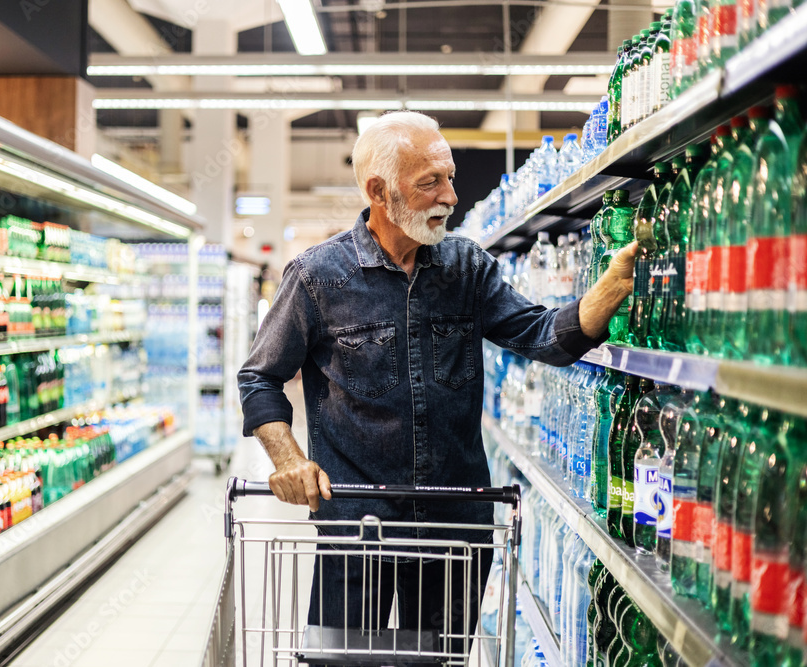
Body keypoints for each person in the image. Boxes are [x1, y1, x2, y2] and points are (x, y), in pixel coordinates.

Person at [237, 110, 636, 653]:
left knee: (437, 661)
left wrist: (603, 297)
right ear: (380, 191)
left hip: (455, 528)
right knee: (347, 662)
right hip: (359, 529)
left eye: (450, 177)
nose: (450, 196)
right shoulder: (317, 277)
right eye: (431, 183)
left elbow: (539, 336)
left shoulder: (466, 267)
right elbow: (260, 377)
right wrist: (287, 458)